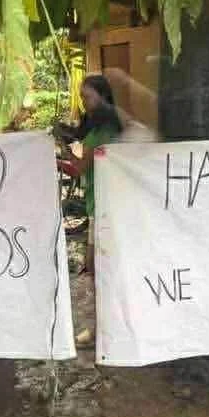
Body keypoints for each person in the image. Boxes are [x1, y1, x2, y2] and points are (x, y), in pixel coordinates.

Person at [55, 75, 124, 273]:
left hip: (102, 201)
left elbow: (79, 168)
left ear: (102, 96)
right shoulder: (107, 125)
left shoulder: (103, 132)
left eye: (88, 97)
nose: (84, 102)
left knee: (95, 264)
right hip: (105, 199)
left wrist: (66, 148)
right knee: (98, 261)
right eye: (82, 97)